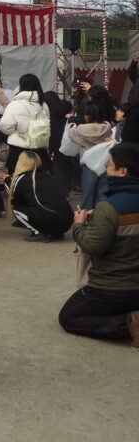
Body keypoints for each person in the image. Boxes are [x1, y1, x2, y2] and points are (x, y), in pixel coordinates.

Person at [58, 143, 139, 345]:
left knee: (69, 317)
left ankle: (128, 323)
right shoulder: (109, 208)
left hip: (111, 287)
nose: (105, 171)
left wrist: (78, 226)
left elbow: (94, 246)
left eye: (109, 165)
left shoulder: (108, 207)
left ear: (122, 171)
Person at [8, 152, 73, 242]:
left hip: (51, 220)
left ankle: (39, 234)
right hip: (68, 222)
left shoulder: (22, 178)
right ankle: (57, 233)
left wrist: (7, 181)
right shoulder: (47, 175)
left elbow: (15, 199)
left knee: (16, 209)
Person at [0, 73, 52, 174]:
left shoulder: (15, 104)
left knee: (19, 181)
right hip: (40, 149)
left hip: (19, 151)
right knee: (38, 182)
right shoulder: (43, 104)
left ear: (21, 86)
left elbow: (5, 127)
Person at [70, 103, 115, 210]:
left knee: (88, 193)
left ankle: (86, 217)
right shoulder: (107, 127)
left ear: (88, 116)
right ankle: (101, 214)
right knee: (102, 191)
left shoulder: (81, 129)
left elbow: (71, 135)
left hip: (88, 162)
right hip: (104, 161)